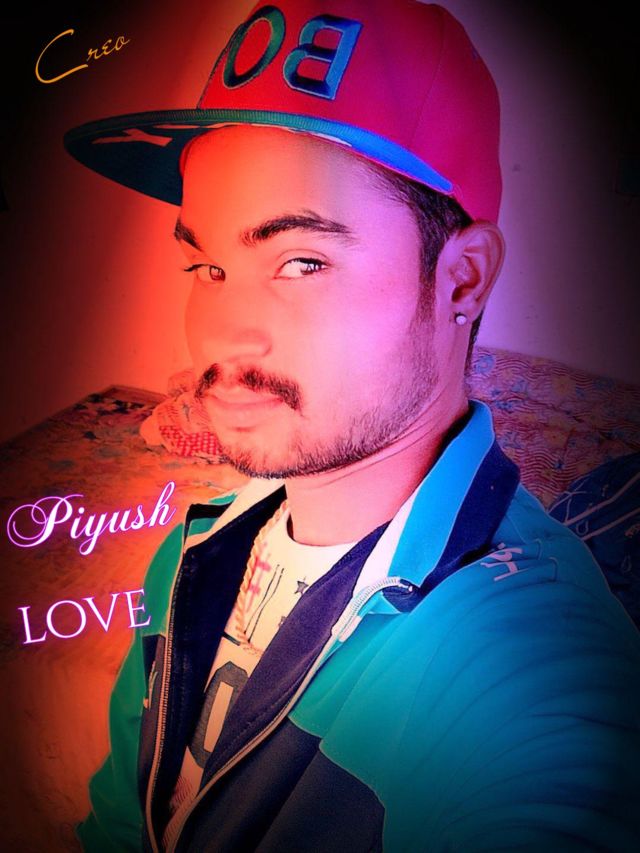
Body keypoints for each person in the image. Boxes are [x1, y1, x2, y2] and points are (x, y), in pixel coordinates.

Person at [65, 1, 640, 850]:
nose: (221, 333)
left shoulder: (528, 666)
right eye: (207, 265)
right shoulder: (190, 554)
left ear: (461, 280)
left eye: (301, 261)